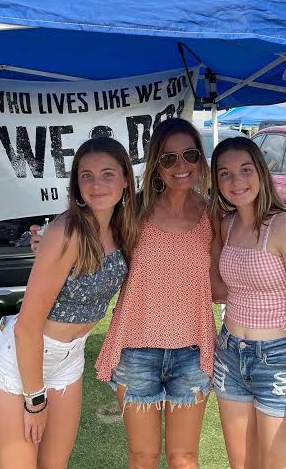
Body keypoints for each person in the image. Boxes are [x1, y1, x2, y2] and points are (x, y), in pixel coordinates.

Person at [0, 136, 139, 469]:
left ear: (126, 179)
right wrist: (34, 400)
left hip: (70, 358)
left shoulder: (123, 229)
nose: (96, 184)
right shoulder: (66, 232)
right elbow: (26, 327)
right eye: (86, 175)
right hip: (22, 358)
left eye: (108, 173)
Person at [94, 118, 225, 469]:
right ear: (156, 165)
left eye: (190, 154)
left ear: (201, 159)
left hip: (192, 352)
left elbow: (218, 288)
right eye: (169, 158)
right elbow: (93, 250)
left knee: (183, 458)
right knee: (143, 456)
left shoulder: (214, 215)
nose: (181, 166)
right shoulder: (132, 212)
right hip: (136, 350)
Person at [210, 136, 286, 469]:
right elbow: (218, 292)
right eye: (224, 173)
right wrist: (213, 231)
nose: (236, 180)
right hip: (229, 354)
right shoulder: (226, 226)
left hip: (277, 360)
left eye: (245, 169)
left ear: (261, 171)